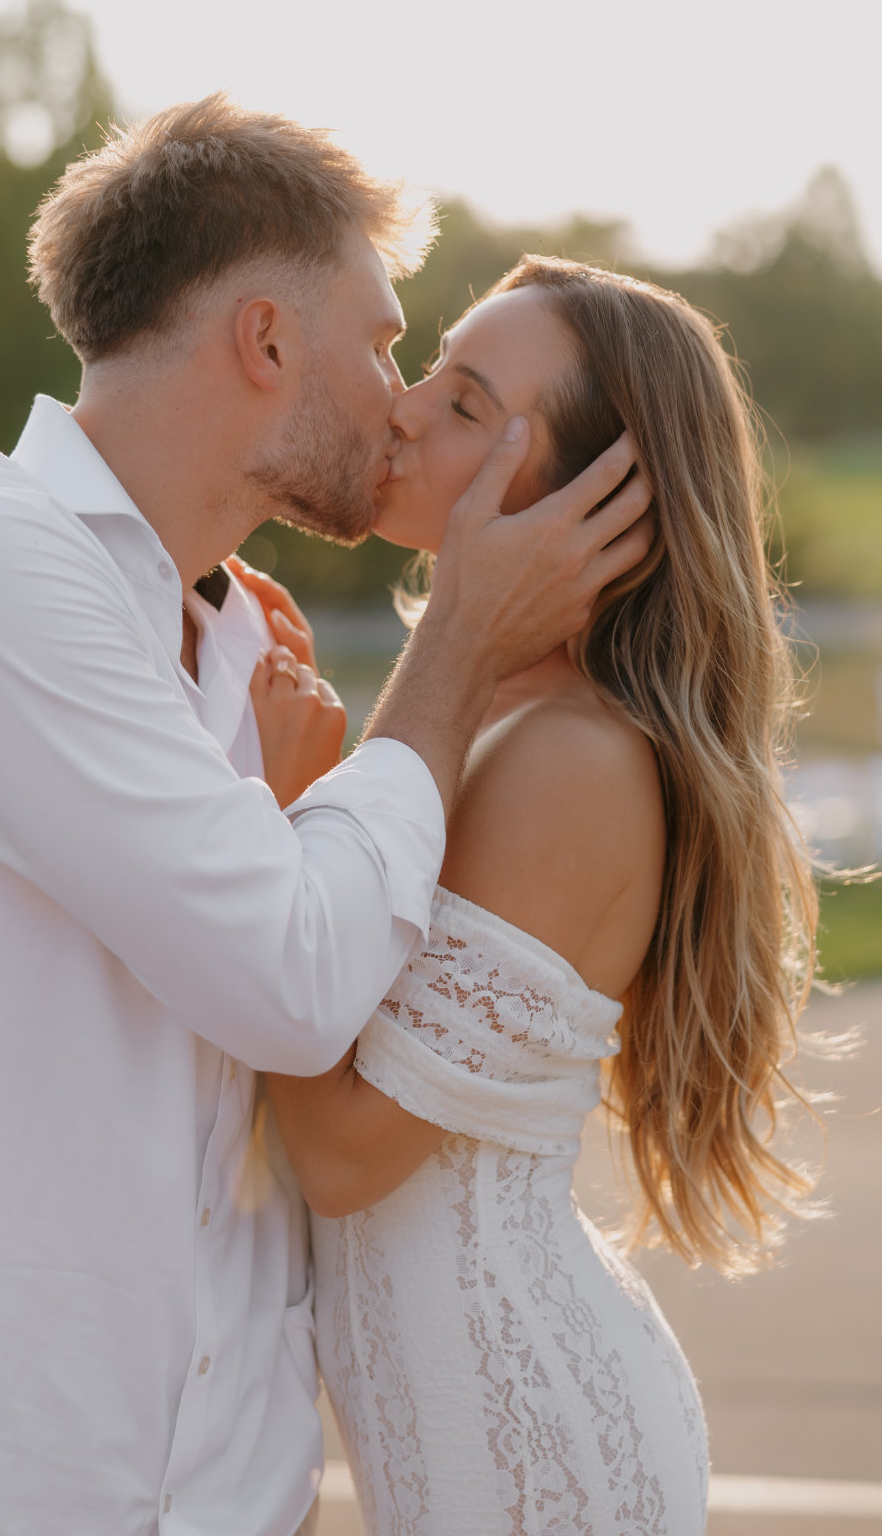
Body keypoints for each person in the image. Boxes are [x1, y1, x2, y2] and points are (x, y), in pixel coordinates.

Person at [0, 101, 652, 1535]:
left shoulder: (228, 657)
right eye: (384, 344)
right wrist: (449, 652)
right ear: (264, 341)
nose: (399, 401)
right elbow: (289, 985)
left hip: (219, 1497)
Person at [260, 256, 820, 1535]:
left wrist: (273, 824)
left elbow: (344, 1155)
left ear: (592, 505)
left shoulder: (565, 760)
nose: (402, 408)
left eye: (463, 404)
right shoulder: (495, 717)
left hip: (533, 1453)